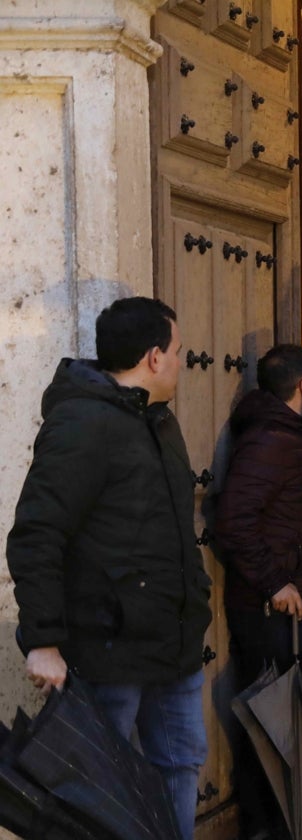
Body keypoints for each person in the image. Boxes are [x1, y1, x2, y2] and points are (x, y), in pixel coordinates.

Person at [7, 297, 212, 840]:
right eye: (177, 350)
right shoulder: (81, 423)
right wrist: (43, 640)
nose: (180, 361)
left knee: (181, 765)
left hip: (175, 643)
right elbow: (37, 532)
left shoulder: (160, 421)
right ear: (152, 356)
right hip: (110, 648)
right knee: (105, 793)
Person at [214, 343, 302, 840]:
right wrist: (274, 581)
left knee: (289, 723)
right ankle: (269, 827)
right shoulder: (271, 439)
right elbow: (232, 521)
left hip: (291, 609)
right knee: (272, 723)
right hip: (270, 611)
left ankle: (291, 823)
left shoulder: (292, 435)